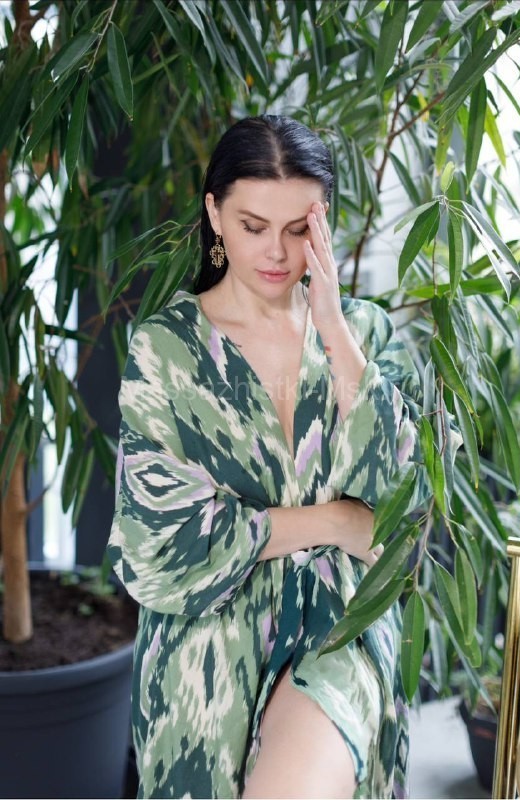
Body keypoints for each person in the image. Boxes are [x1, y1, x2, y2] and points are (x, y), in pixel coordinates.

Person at [107, 115, 429, 799]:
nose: (277, 253)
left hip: (340, 623)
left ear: (324, 222)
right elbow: (159, 543)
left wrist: (334, 328)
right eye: (254, 226)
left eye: (297, 229)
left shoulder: (364, 334)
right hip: (204, 650)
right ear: (214, 214)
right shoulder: (166, 350)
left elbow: (407, 500)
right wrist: (333, 522)